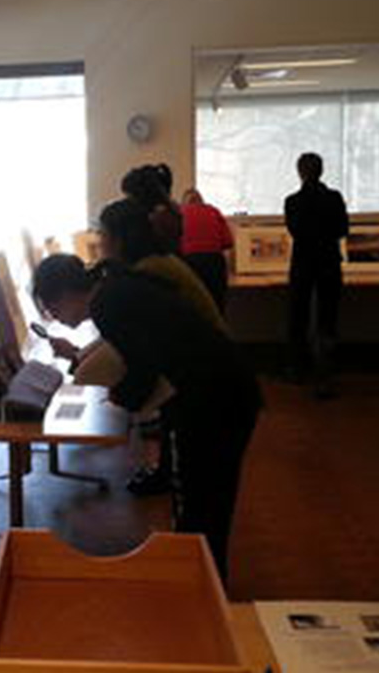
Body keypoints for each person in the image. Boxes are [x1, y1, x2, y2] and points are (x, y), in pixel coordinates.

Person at [32, 254, 262, 580]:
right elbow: (132, 352)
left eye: (50, 308)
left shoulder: (108, 304)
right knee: (207, 501)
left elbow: (141, 370)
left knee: (202, 505)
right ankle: (204, 582)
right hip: (222, 389)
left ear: (65, 293)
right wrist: (85, 364)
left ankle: (203, 587)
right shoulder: (114, 290)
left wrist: (119, 398)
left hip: (214, 396)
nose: (53, 316)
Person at [60, 198, 225, 496]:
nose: (99, 244)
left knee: (195, 479)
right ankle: (165, 476)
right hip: (199, 364)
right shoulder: (148, 265)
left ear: (121, 239)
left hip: (205, 369)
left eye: (103, 236)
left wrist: (123, 397)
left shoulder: (148, 269)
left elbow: (140, 354)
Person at [283, 153, 349, 395]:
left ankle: (297, 368)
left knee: (297, 314)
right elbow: (343, 228)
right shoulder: (334, 198)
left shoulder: (292, 201)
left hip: (302, 262)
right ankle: (326, 373)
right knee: (328, 316)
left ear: (300, 172)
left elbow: (294, 231)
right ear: (322, 171)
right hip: (329, 260)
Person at [180, 188, 234, 313]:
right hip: (214, 263)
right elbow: (228, 241)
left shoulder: (180, 212)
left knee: (191, 308)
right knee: (216, 307)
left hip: (189, 264)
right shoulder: (213, 211)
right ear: (201, 200)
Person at [121, 164, 183, 255]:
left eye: (129, 196)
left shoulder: (159, 217)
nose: (127, 201)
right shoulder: (168, 209)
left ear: (141, 195)